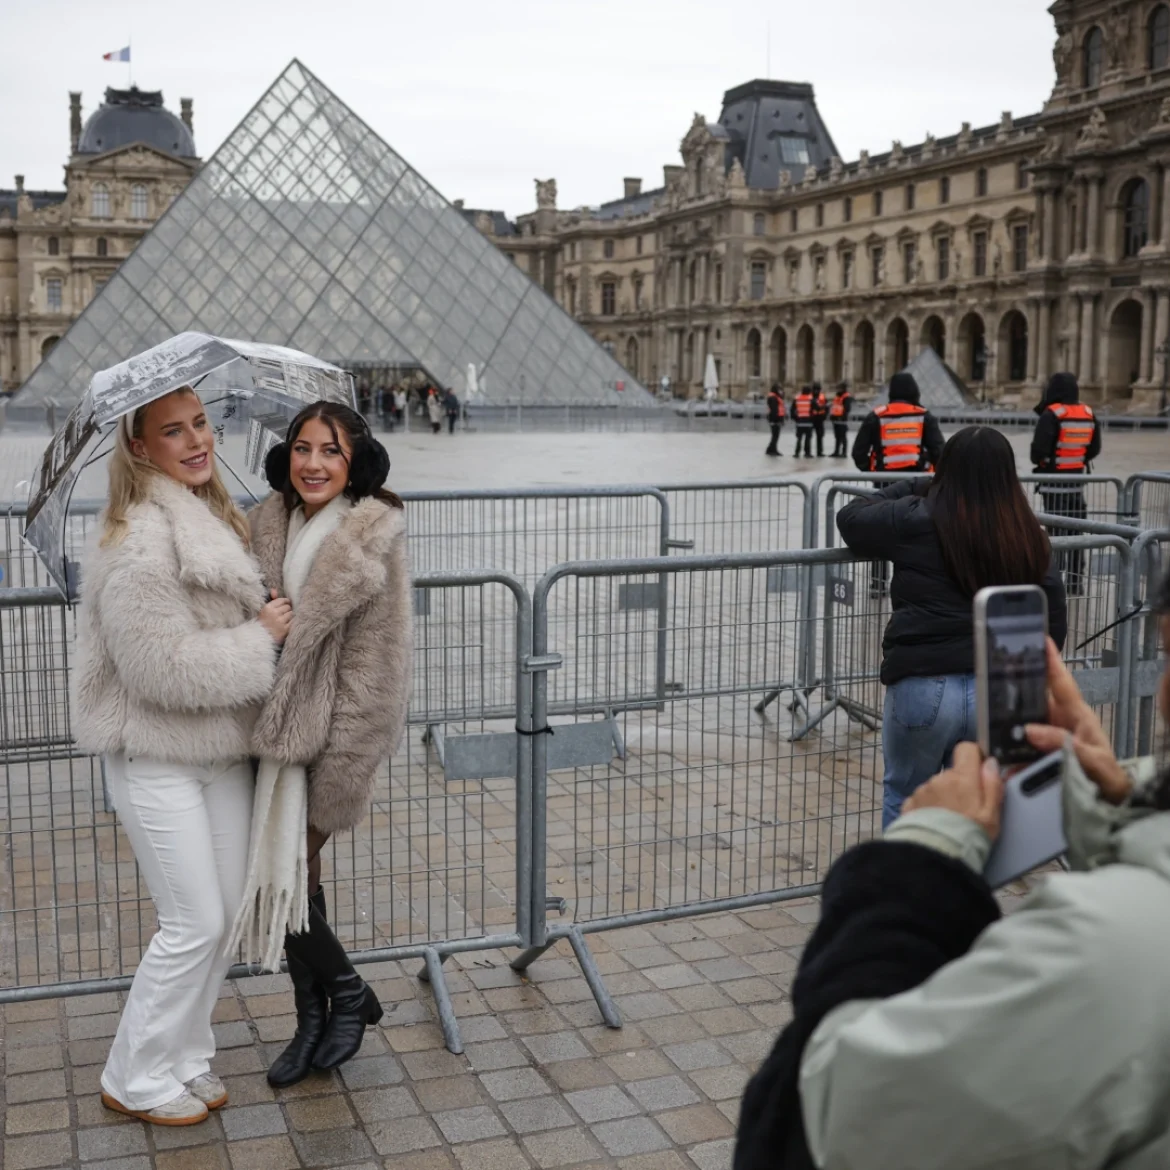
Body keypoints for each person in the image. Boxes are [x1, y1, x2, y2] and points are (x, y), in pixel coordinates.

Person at [735, 575, 1170, 1170]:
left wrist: (922, 856)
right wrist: (1130, 802)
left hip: (921, 691)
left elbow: (825, 1118)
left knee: (908, 794)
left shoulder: (1110, 950)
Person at [72, 387, 290, 1125]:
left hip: (220, 748)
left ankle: (183, 1055)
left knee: (221, 917)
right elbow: (158, 668)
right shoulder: (138, 537)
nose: (198, 440)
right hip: (156, 753)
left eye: (200, 423)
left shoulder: (212, 518)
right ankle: (132, 1075)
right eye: (174, 431)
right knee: (191, 922)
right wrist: (261, 638)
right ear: (140, 447)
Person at [244, 402, 413, 1087]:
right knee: (294, 885)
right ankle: (318, 1016)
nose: (312, 463)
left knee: (287, 878)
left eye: (330, 452)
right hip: (262, 738)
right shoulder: (264, 523)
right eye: (302, 448)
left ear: (355, 464)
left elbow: (379, 672)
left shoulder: (369, 538)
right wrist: (261, 622)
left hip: (322, 746)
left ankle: (343, 994)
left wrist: (340, 776)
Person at [836, 426, 1067, 827]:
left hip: (922, 682)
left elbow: (851, 517)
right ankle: (964, 885)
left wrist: (919, 482)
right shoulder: (1028, 534)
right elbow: (1053, 618)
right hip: (996, 690)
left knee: (906, 797)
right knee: (977, 803)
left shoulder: (916, 517)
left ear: (945, 470)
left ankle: (905, 887)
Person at [1031, 371, 1102, 595]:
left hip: (1053, 484)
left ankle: (1056, 580)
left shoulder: (1052, 413)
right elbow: (1095, 448)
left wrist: (1046, 460)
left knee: (1056, 534)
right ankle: (1075, 581)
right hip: (1076, 482)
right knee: (1077, 532)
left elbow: (1038, 451)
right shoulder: (1088, 413)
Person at [852, 371, 944, 474]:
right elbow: (939, 451)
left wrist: (872, 470)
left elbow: (858, 452)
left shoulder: (876, 416)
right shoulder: (924, 416)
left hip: (884, 480)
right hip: (917, 479)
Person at [829, 382, 852, 457]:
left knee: (843, 436)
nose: (838, 389)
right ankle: (836, 451)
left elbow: (847, 408)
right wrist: (832, 415)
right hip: (835, 419)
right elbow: (834, 407)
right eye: (838, 388)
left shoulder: (846, 397)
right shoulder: (837, 396)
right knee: (837, 436)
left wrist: (842, 416)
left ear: (843, 388)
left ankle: (844, 452)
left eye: (840, 388)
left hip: (842, 420)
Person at [765, 382, 786, 457]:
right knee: (775, 435)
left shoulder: (776, 397)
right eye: (779, 389)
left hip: (776, 418)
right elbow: (774, 410)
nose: (780, 390)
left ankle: (771, 449)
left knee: (775, 435)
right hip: (775, 419)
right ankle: (771, 449)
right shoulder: (773, 397)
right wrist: (778, 419)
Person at [793, 386, 815, 458]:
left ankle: (797, 452)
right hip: (808, 421)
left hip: (799, 421)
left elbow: (792, 410)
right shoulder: (811, 399)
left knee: (799, 438)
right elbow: (817, 407)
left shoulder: (797, 398)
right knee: (807, 439)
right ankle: (807, 453)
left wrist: (796, 418)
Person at [810, 381, 828, 457]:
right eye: (815, 389)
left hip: (820, 419)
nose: (816, 391)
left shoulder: (822, 397)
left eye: (817, 389)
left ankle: (819, 452)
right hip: (812, 418)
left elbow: (826, 407)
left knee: (820, 436)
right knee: (809, 436)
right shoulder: (810, 397)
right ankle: (808, 452)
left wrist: (824, 416)